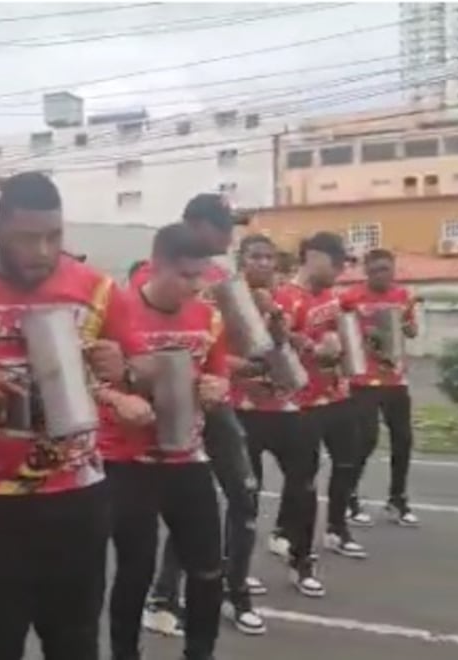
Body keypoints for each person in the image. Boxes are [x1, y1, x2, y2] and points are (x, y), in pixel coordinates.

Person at [0, 171, 144, 660]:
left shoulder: (96, 288)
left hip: (77, 492)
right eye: (28, 238)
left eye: (54, 236)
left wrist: (124, 368)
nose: (43, 251)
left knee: (74, 638)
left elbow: (141, 368)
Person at [101, 223, 229, 660]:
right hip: (127, 460)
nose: (195, 287)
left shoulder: (208, 316)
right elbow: (82, 377)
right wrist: (117, 398)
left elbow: (218, 369)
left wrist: (216, 385)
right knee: (135, 570)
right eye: (186, 276)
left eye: (201, 276)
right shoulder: (115, 311)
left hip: (188, 457)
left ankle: (200, 652)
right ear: (157, 265)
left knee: (209, 569)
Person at [143, 195, 264, 637]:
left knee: (241, 494)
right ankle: (165, 594)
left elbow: (236, 347)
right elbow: (158, 351)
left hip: (215, 401)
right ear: (195, 224)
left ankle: (230, 581)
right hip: (170, 412)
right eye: (221, 226)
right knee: (192, 504)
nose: (229, 236)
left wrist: (247, 362)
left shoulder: (224, 279)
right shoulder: (156, 274)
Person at [227, 235, 321, 598]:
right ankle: (239, 572)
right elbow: (217, 352)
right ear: (241, 260)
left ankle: (302, 561)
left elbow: (289, 343)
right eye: (256, 257)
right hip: (242, 408)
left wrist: (275, 313)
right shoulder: (224, 298)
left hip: (285, 407)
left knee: (305, 486)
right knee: (246, 497)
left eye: (269, 257)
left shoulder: (287, 297)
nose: (263, 264)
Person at [271, 232, 368, 574]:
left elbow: (349, 332)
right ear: (313, 257)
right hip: (303, 400)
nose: (340, 271)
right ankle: (288, 533)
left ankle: (337, 528)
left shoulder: (334, 297)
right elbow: (276, 343)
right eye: (336, 263)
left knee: (348, 462)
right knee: (303, 475)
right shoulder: (285, 297)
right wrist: (312, 347)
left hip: (337, 393)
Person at [342, 249, 420, 527]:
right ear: (366, 271)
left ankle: (397, 499)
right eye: (375, 270)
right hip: (363, 380)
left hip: (395, 379)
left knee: (403, 439)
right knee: (365, 440)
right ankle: (348, 495)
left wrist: (406, 324)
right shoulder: (350, 298)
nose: (381, 275)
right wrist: (367, 333)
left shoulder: (402, 296)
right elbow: (341, 331)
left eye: (386, 269)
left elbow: (412, 331)